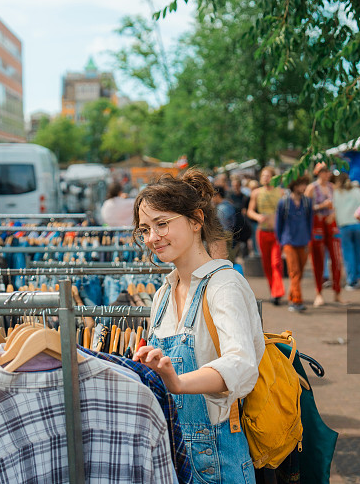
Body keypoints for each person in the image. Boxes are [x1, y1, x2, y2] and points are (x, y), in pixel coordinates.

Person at [132, 169, 264, 484]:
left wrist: (177, 382)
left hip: (217, 463)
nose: (152, 238)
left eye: (162, 224)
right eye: (145, 229)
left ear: (196, 220)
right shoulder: (163, 293)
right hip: (171, 460)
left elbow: (241, 364)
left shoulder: (224, 284)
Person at [305, 162, 344, 307]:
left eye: (328, 172)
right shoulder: (312, 188)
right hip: (317, 225)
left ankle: (337, 293)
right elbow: (307, 209)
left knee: (336, 258)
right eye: (323, 171)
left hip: (330, 224)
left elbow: (337, 205)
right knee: (318, 259)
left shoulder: (332, 187)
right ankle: (318, 293)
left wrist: (333, 214)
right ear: (318, 173)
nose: (326, 174)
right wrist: (322, 206)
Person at [247, 166, 286, 305]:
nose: (265, 178)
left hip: (276, 233)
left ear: (274, 177)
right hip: (262, 232)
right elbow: (250, 211)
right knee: (267, 265)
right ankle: (273, 291)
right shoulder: (256, 193)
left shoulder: (281, 192)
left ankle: (277, 292)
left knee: (276, 262)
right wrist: (258, 217)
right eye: (263, 175)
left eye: (268, 175)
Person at [275, 174, 313, 312]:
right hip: (288, 241)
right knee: (294, 272)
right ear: (294, 186)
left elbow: (310, 223)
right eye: (301, 184)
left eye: (305, 184)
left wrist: (309, 240)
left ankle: (292, 298)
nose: (304, 187)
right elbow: (278, 224)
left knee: (299, 273)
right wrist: (280, 242)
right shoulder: (283, 202)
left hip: (303, 241)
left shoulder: (308, 202)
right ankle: (297, 301)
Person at [333, 174, 360, 289]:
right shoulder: (356, 191)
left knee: (348, 254)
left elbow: (334, 209)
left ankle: (351, 279)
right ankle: (357, 276)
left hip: (344, 226)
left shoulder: (336, 193)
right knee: (358, 252)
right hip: (357, 224)